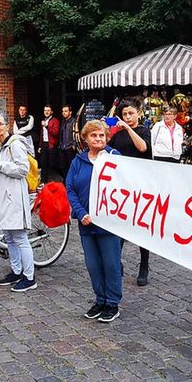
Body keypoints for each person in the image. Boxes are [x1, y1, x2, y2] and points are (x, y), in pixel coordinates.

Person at [65, 120, 122, 323]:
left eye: (101, 136)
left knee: (111, 264)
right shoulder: (78, 161)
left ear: (107, 138)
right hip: (86, 222)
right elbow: (70, 188)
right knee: (93, 265)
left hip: (109, 222)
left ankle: (112, 303)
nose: (98, 139)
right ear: (85, 138)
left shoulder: (114, 158)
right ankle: (100, 299)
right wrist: (80, 213)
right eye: (94, 136)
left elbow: (126, 185)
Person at [0, 114, 37, 291]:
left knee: (20, 238)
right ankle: (16, 271)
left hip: (14, 197)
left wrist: (0, 165)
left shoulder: (15, 144)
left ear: (7, 125)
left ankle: (29, 277)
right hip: (1, 197)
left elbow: (23, 170)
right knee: (8, 238)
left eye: (0, 123)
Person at [109, 103, 153, 286]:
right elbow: (107, 151)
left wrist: (128, 128)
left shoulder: (143, 131)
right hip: (122, 185)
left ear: (139, 114)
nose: (127, 116)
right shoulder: (118, 135)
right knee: (120, 225)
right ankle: (117, 262)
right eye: (125, 114)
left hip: (141, 186)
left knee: (140, 227)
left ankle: (144, 265)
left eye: (131, 113)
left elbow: (143, 148)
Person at [39, 105, 60, 171]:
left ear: (51, 112)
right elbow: (42, 134)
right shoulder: (43, 120)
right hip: (43, 144)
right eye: (45, 110)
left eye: (48, 110)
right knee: (43, 163)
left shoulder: (55, 121)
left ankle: (52, 180)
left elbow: (55, 133)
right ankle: (44, 180)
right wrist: (40, 145)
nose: (46, 112)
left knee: (51, 164)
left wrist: (47, 126)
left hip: (51, 144)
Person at [57, 105, 77, 170]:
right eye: (63, 111)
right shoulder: (63, 121)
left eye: (66, 111)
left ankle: (70, 180)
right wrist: (60, 144)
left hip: (70, 147)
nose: (64, 113)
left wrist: (74, 144)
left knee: (71, 166)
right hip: (62, 147)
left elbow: (76, 133)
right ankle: (65, 180)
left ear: (70, 112)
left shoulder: (74, 121)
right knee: (63, 166)